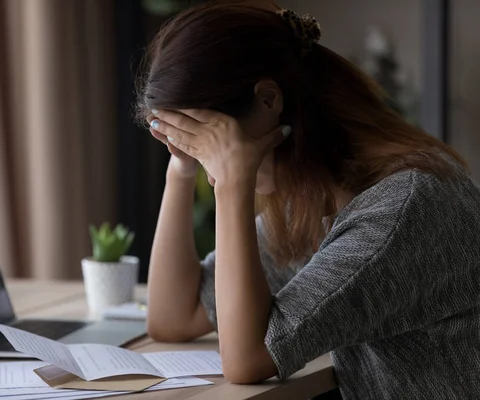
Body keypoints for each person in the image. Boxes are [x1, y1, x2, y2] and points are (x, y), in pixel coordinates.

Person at [136, 2, 480, 399]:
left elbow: (248, 359)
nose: (208, 162)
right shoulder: (317, 200)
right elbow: (173, 318)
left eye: (211, 141)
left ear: (268, 101)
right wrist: (181, 168)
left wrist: (232, 183)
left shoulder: (400, 208)